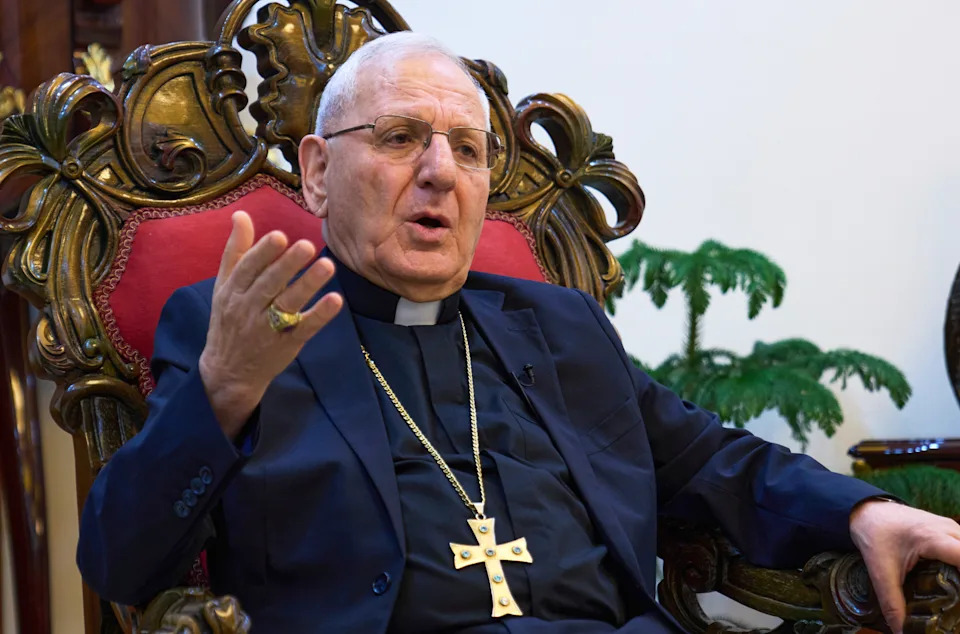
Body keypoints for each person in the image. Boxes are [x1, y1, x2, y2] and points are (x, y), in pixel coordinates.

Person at [77, 32, 960, 633]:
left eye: (467, 149)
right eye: (400, 137)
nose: (440, 172)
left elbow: (709, 461)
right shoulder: (233, 327)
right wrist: (224, 393)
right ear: (317, 172)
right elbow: (120, 566)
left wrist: (864, 509)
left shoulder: (559, 325)